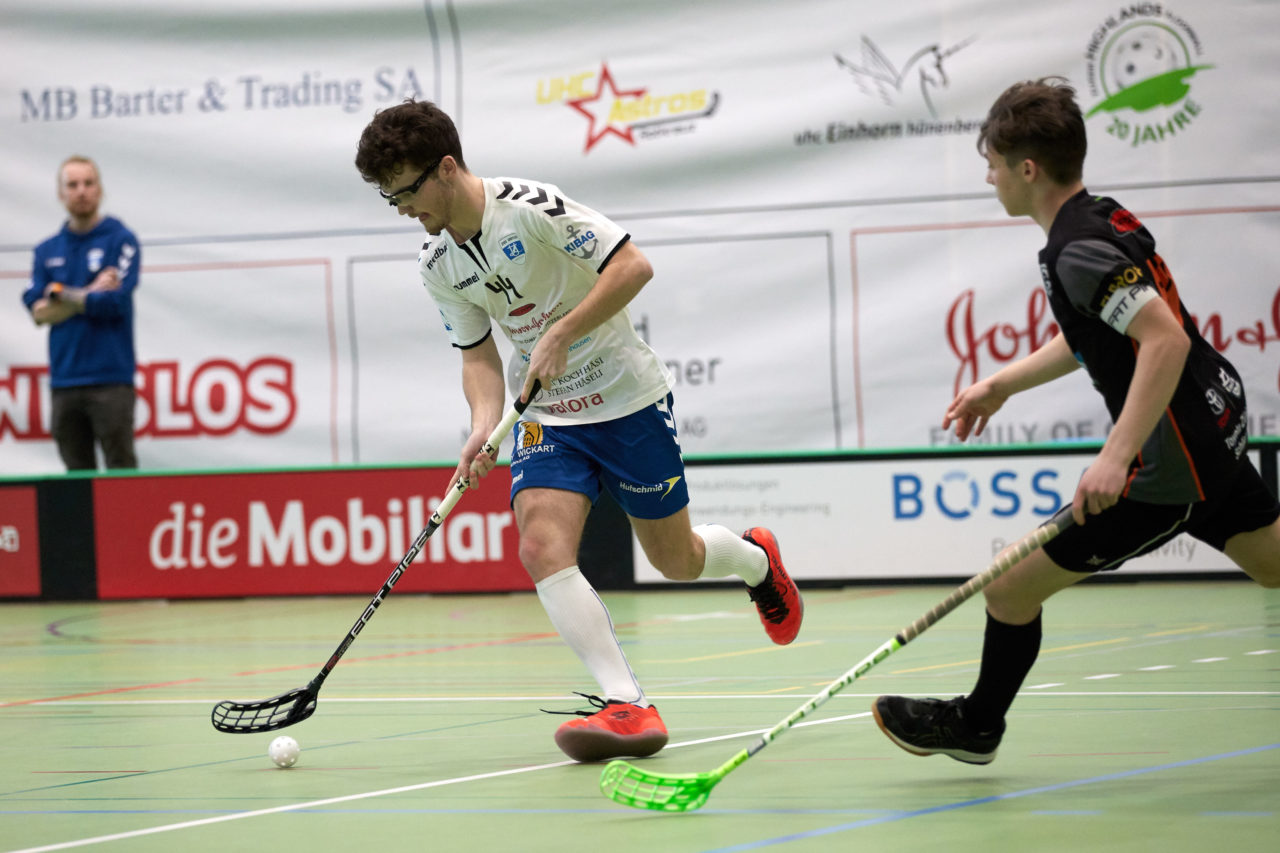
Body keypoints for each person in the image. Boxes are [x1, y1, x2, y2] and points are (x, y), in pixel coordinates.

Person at [354, 99, 804, 763]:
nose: (400, 208)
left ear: (446, 169)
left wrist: (563, 329)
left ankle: (757, 559)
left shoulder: (531, 208)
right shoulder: (436, 264)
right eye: (387, 197)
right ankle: (627, 700)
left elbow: (633, 267)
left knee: (675, 560)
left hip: (625, 398)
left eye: (405, 190)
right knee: (540, 543)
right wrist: (483, 426)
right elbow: (476, 356)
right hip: (547, 416)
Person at [873, 78, 1280, 765]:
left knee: (1009, 584)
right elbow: (1100, 332)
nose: (989, 176)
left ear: (1027, 169)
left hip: (1168, 466)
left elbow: (1165, 340)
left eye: (994, 163)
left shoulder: (1077, 248)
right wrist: (1000, 383)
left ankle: (976, 726)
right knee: (1274, 565)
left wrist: (1118, 454)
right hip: (1209, 427)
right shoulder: (1100, 219)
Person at [22, 156, 141, 471]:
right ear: (61, 194)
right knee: (76, 480)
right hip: (65, 381)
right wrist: (89, 293)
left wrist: (62, 297)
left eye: (88, 183)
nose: (81, 191)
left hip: (111, 380)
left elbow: (114, 303)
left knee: (121, 472)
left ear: (100, 189)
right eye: (72, 185)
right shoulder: (46, 251)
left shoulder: (121, 240)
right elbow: (38, 314)